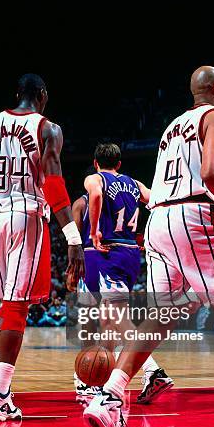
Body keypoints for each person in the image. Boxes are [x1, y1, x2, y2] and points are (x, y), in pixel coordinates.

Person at [83, 66, 214, 427]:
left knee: (163, 315)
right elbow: (212, 173)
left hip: (159, 222)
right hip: (194, 216)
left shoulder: (172, 127)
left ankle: (110, 397)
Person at [0, 73, 85, 421]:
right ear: (42, 95)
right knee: (17, 308)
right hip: (27, 214)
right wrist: (73, 238)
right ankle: (0, 396)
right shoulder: (47, 128)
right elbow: (56, 187)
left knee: (4, 305)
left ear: (18, 93)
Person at [72, 144, 174, 403]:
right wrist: (148, 236)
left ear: (96, 163)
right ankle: (104, 382)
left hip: (108, 252)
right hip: (130, 253)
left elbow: (95, 196)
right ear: (119, 164)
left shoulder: (95, 179)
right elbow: (157, 203)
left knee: (115, 316)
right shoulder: (135, 184)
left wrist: (94, 230)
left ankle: (152, 370)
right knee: (109, 318)